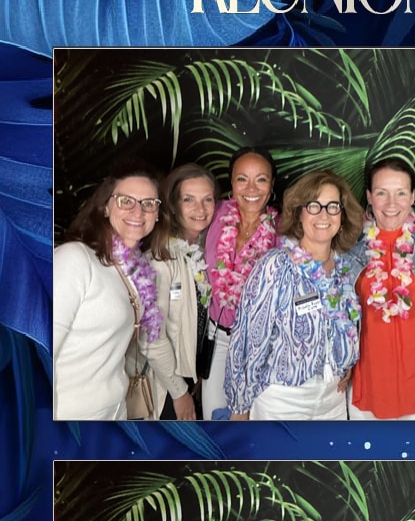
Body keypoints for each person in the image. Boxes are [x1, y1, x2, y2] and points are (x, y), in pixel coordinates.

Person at [53, 163, 191, 422]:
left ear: (158, 213)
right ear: (105, 206)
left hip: (116, 410)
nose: (138, 211)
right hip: (68, 416)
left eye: (149, 203)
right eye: (126, 201)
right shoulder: (75, 259)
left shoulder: (135, 270)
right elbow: (34, 355)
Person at [225, 170, 363, 420]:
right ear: (299, 214)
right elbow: (248, 341)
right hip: (282, 401)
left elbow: (348, 326)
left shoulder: (347, 268)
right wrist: (240, 408)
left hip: (333, 400)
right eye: (313, 206)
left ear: (342, 216)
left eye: (333, 206)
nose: (324, 215)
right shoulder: (275, 266)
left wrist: (346, 359)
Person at [347, 155, 415, 420]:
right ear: (369, 196)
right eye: (382, 193)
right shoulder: (350, 249)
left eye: (401, 193)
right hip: (366, 394)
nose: (392, 204)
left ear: (413, 196)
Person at [203, 148, 278, 419]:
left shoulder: (282, 229)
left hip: (259, 347)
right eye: (241, 179)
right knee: (215, 420)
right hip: (218, 339)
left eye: (261, 179)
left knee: (251, 426)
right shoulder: (214, 213)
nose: (251, 188)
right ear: (231, 183)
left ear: (271, 186)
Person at [154, 163, 217, 418]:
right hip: (167, 384)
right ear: (173, 204)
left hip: (195, 377)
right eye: (188, 199)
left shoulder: (209, 251)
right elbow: (151, 339)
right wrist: (179, 393)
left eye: (207, 199)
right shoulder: (160, 260)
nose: (200, 209)